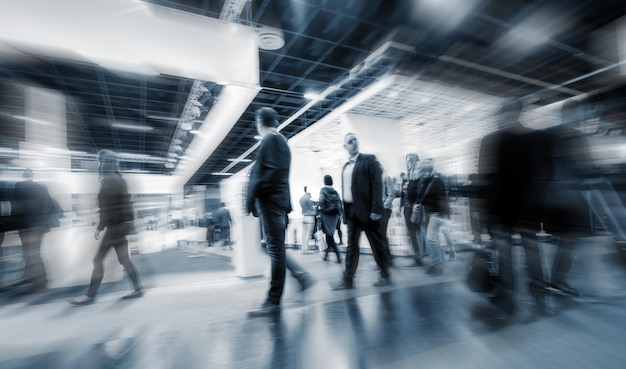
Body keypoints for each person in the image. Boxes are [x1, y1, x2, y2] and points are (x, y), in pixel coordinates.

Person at [478, 98, 545, 315]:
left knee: (505, 254)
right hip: (527, 207)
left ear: (502, 114)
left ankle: (509, 296)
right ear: (521, 112)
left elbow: (484, 179)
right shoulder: (534, 138)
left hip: (501, 207)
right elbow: (540, 176)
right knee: (532, 253)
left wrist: (482, 214)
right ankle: (540, 297)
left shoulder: (490, 140)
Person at [246, 107, 315, 317]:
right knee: (274, 248)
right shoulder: (277, 140)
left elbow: (270, 175)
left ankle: (273, 301)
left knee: (275, 249)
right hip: (273, 204)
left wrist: (253, 197)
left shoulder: (272, 140)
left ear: (259, 122)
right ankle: (302, 278)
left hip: (271, 204)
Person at [71, 150, 143, 305]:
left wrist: (100, 227)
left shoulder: (109, 180)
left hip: (115, 227)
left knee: (98, 259)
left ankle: (90, 295)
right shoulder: (119, 179)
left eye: (102, 161)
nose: (100, 164)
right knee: (124, 259)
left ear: (107, 163)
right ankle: (138, 289)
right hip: (121, 226)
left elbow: (108, 208)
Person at [332, 133, 392, 290]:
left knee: (376, 244)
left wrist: (376, 209)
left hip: (367, 211)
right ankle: (348, 280)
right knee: (351, 246)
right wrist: (344, 213)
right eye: (349, 141)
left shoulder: (369, 159)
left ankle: (385, 274)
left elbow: (377, 186)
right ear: (345, 147)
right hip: (351, 212)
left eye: (355, 140)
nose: (353, 143)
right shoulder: (345, 166)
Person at [11, 168, 55, 293]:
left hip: (27, 225)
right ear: (32, 176)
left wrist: (14, 224)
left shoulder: (19, 186)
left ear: (23, 175)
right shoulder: (42, 187)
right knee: (35, 253)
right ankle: (36, 278)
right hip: (41, 225)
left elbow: (16, 206)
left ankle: (39, 282)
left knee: (30, 254)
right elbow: (50, 205)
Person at [414, 159, 450, 275]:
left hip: (435, 213)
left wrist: (444, 216)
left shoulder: (437, 181)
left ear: (425, 169)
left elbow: (443, 199)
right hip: (425, 213)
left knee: (430, 239)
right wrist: (416, 204)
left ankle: (437, 264)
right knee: (432, 240)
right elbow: (419, 197)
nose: (417, 171)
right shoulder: (422, 181)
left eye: (419, 169)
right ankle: (438, 263)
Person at [400, 153, 424, 266]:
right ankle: (417, 257)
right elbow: (403, 194)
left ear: (414, 162)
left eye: (409, 161)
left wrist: (417, 204)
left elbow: (420, 193)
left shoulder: (418, 177)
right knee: (411, 233)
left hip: (415, 209)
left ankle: (419, 258)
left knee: (417, 233)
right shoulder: (407, 177)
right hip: (407, 208)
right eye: (406, 161)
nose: (407, 163)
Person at [318, 174, 342, 263]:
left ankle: (338, 256)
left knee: (329, 235)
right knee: (329, 234)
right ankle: (326, 255)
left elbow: (321, 201)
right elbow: (340, 202)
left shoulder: (323, 190)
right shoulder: (335, 191)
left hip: (326, 215)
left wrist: (319, 207)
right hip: (334, 215)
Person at [380, 165, 395, 266]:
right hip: (377, 211)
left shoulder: (386, 177)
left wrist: (384, 207)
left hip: (384, 210)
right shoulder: (374, 179)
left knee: (381, 233)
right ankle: (386, 257)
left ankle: (387, 258)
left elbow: (391, 194)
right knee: (380, 234)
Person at [299, 186, 317, 253]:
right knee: (308, 235)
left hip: (304, 217)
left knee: (304, 234)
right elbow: (313, 208)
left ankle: (303, 249)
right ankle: (306, 250)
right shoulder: (309, 199)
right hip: (310, 217)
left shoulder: (301, 199)